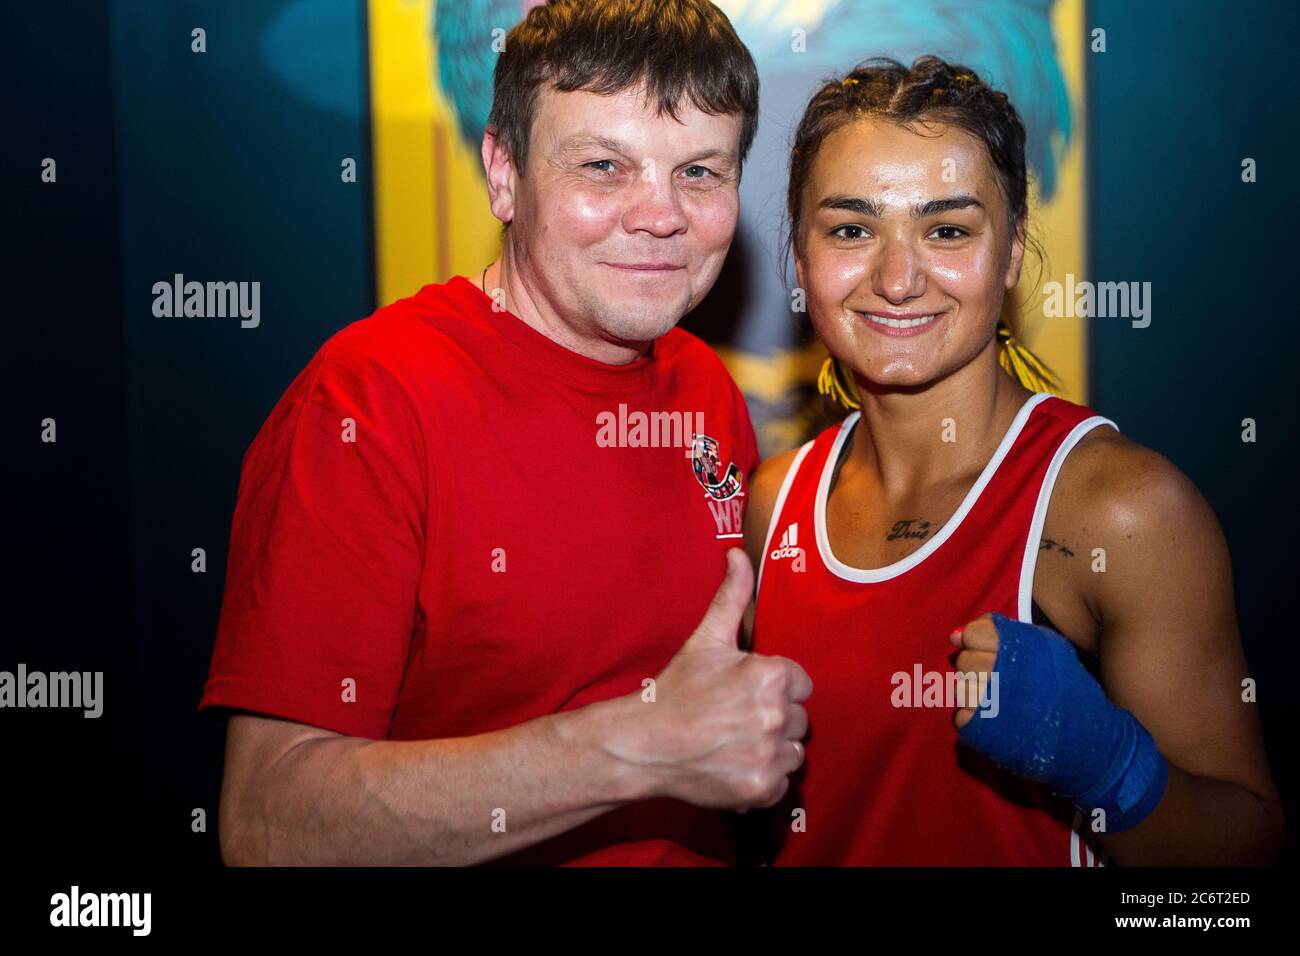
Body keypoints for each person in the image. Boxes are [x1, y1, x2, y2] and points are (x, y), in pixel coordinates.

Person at [199, 0, 811, 867]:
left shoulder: (699, 381)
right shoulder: (367, 405)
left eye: (701, 172)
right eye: (604, 166)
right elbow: (267, 823)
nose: (661, 215)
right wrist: (634, 746)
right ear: (504, 170)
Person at [744, 56, 1283, 865]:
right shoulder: (775, 501)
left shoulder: (1119, 508)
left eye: (948, 229)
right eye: (851, 228)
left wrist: (1110, 766)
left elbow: (1244, 859)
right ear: (799, 250)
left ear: (1010, 252)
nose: (897, 278)